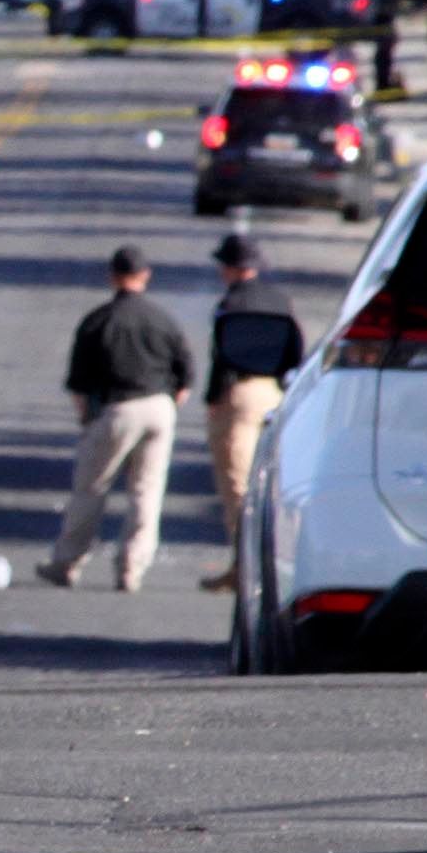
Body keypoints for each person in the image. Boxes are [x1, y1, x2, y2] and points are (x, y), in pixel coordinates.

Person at [40, 245, 194, 593]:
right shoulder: (163, 319)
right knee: (147, 491)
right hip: (159, 407)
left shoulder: (99, 321)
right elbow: (186, 376)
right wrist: (168, 403)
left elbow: (78, 383)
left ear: (113, 276)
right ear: (146, 276)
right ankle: (131, 569)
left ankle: (67, 562)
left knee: (92, 488)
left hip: (116, 409)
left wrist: (88, 419)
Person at [198, 232, 306, 594]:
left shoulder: (231, 304)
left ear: (230, 268)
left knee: (238, 485)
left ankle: (247, 566)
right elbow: (295, 351)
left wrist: (213, 399)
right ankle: (251, 565)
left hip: (240, 394)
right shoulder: (281, 300)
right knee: (272, 482)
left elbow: (222, 357)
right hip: (275, 393)